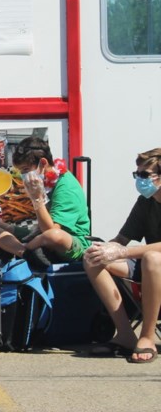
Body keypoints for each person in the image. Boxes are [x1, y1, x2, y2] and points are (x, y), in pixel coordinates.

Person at [83, 147, 161, 364]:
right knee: (93, 259)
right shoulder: (145, 202)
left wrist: (123, 252)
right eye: (137, 174)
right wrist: (105, 248)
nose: (139, 180)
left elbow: (129, 249)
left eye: (145, 175)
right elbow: (121, 240)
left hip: (154, 264)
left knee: (152, 258)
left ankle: (147, 337)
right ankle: (125, 334)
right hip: (149, 267)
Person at [0, 136, 91, 268]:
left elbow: (50, 231)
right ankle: (24, 252)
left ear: (43, 163)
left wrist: (37, 199)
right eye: (21, 171)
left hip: (70, 243)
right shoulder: (41, 181)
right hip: (38, 235)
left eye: (26, 169)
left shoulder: (66, 187)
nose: (23, 175)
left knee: (54, 236)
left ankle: (18, 249)